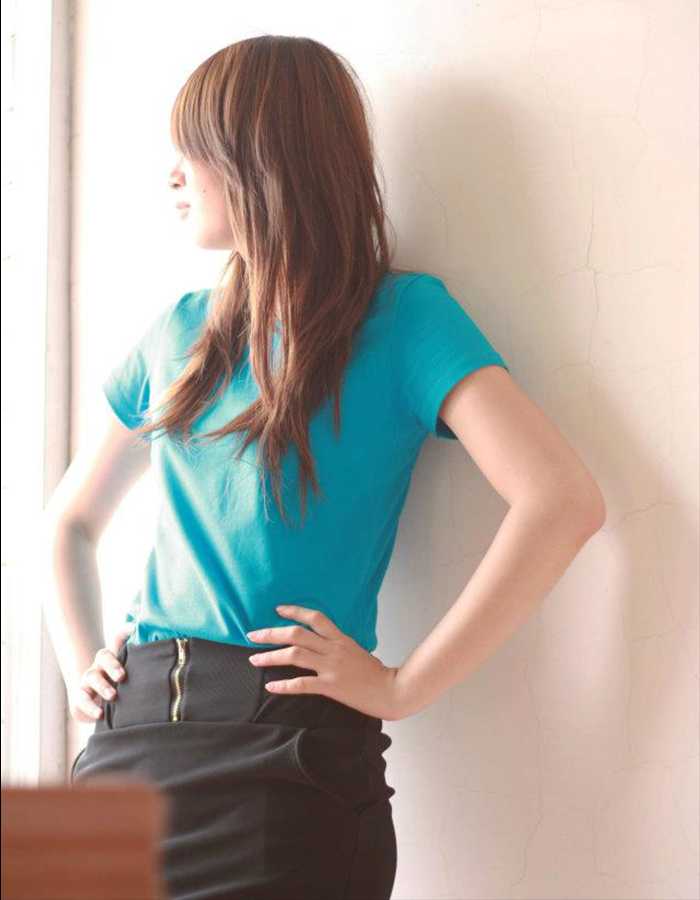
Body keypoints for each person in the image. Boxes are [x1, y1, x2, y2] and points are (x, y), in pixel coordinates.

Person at [43, 34, 606, 900]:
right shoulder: (177, 332)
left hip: (287, 767)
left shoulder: (404, 318)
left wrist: (404, 685)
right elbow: (68, 523)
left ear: (264, 159)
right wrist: (82, 661)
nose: (173, 173)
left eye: (196, 148)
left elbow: (562, 499)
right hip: (128, 747)